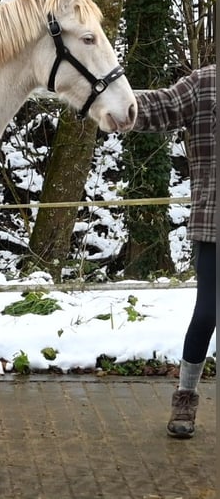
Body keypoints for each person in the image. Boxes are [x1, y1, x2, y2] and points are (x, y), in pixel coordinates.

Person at [132, 64, 216, 438]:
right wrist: (110, 97)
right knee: (208, 313)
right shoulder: (205, 83)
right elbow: (162, 106)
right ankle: (185, 395)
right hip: (214, 224)